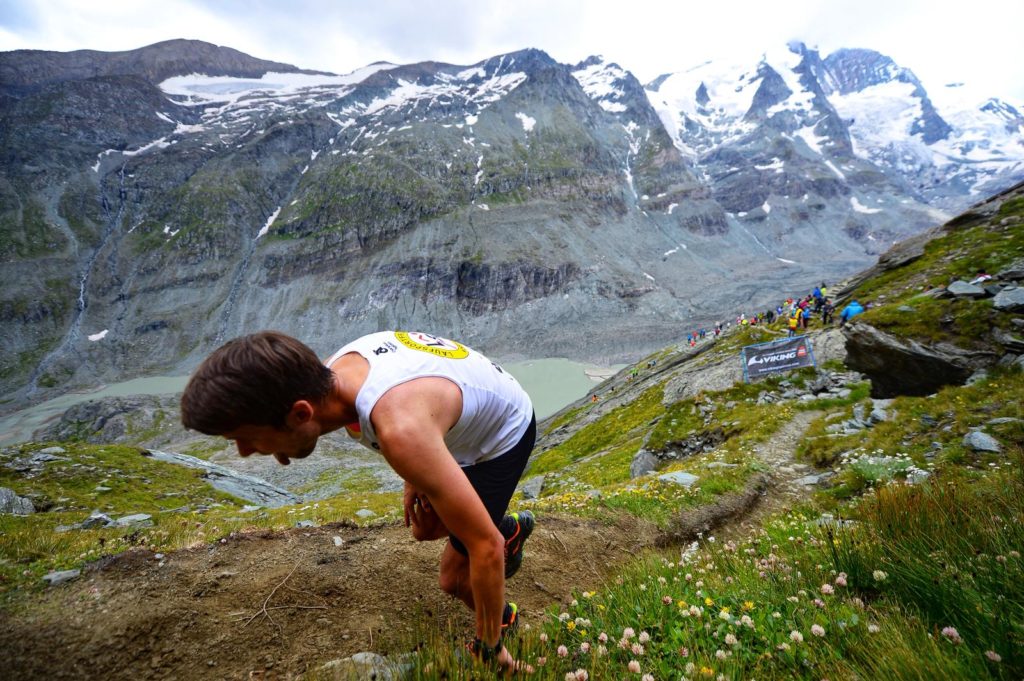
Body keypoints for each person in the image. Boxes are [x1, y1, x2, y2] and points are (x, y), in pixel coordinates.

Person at [180, 330, 536, 671]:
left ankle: (500, 626)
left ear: (301, 414)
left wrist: (489, 650)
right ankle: (506, 528)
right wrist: (415, 473)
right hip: (449, 422)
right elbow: (412, 411)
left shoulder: (400, 428)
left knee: (455, 578)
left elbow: (483, 546)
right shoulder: (327, 377)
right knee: (425, 530)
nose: (244, 452)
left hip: (500, 436)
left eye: (246, 437)